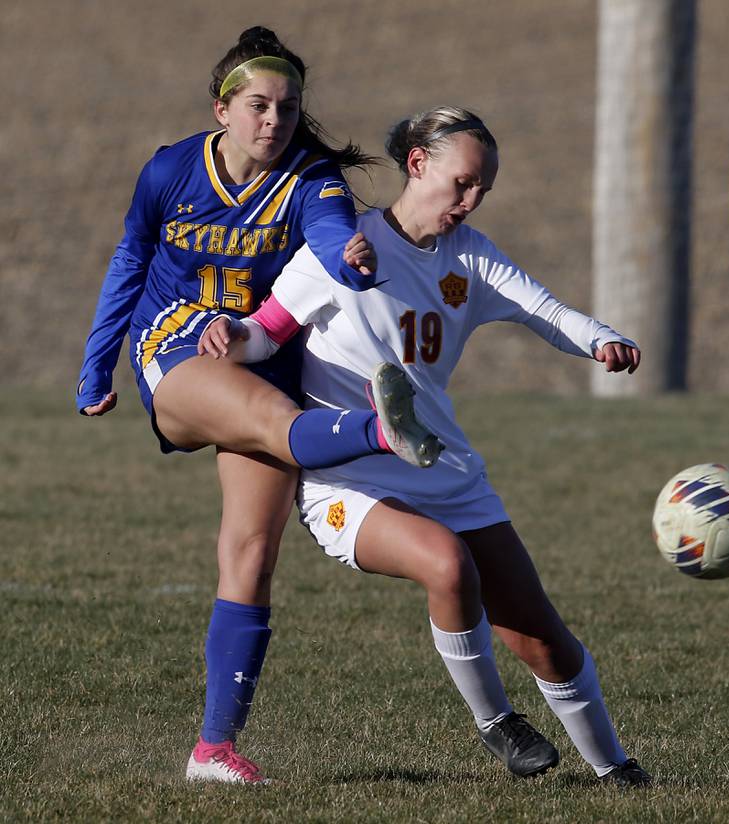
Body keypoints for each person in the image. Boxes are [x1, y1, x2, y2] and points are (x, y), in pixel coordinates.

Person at [201, 106, 651, 787]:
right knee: (448, 566)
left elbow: (546, 311)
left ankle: (615, 769)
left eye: (482, 192)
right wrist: (232, 338)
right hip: (349, 480)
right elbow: (267, 331)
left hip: (445, 469)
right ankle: (498, 723)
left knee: (540, 636)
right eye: (462, 183)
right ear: (419, 164)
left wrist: (601, 340)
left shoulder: (470, 257)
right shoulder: (342, 244)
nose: (469, 202)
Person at [76, 26, 441, 785]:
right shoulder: (170, 171)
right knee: (279, 427)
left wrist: (354, 256)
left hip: (261, 355)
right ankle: (382, 429)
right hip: (176, 345)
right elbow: (130, 260)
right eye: (257, 106)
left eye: (287, 107)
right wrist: (94, 367)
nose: (273, 120)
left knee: (252, 552)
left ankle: (213, 750)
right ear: (222, 110)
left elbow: (334, 233)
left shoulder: (312, 179)